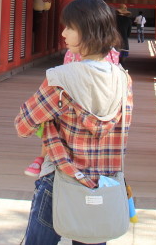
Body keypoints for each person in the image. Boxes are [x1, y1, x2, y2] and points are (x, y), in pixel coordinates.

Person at [16, 0, 132, 245]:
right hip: (104, 181)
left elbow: (23, 125)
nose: (63, 32)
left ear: (88, 30)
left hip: (61, 176)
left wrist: (48, 124)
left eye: (70, 27)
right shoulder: (123, 80)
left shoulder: (61, 78)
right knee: (92, 239)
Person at [23, 42, 120, 178]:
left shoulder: (110, 56)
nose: (64, 33)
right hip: (92, 106)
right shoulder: (112, 60)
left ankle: (45, 157)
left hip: (87, 104)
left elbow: (24, 124)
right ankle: (42, 156)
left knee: (53, 123)